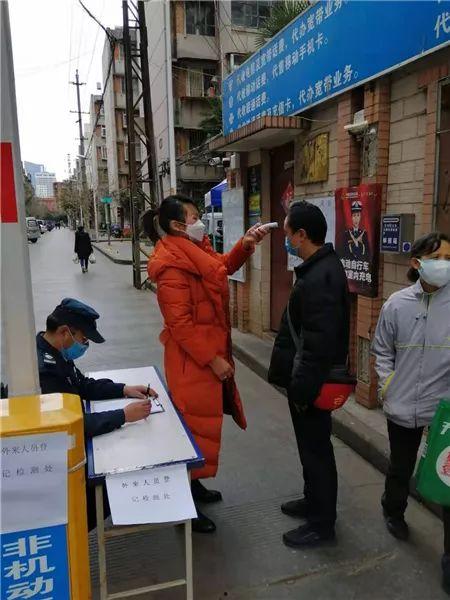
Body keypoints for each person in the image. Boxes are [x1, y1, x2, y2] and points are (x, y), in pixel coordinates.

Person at [144, 194, 270, 533]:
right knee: (192, 429)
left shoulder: (195, 250)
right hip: (192, 362)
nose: (199, 221)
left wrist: (244, 245)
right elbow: (180, 325)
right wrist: (212, 360)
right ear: (177, 225)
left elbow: (222, 267)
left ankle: (194, 484)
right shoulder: (171, 265)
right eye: (193, 217)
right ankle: (182, 508)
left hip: (203, 358)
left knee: (200, 430)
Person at [268, 201, 350, 548]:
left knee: (317, 452)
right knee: (310, 448)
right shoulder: (319, 269)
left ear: (301, 235)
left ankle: (321, 524)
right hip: (306, 380)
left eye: (288, 234)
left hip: (312, 385)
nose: (286, 240)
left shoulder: (320, 278)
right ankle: (312, 499)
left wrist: (301, 391)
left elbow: (318, 345)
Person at [372, 232, 450, 594]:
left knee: (448, 479)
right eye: (437, 258)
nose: (444, 265)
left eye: (449, 258)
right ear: (417, 263)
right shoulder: (397, 304)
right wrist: (387, 386)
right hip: (402, 404)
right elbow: (382, 350)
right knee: (400, 466)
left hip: (444, 411)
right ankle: (393, 510)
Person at [37, 297, 157, 530]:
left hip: (67, 451)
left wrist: (123, 389)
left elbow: (82, 385)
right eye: (84, 340)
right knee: (115, 483)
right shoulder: (44, 372)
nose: (85, 346)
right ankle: (73, 537)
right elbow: (71, 426)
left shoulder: (56, 351)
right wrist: (123, 416)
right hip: (58, 467)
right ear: (64, 332)